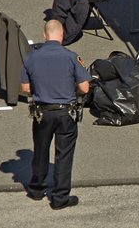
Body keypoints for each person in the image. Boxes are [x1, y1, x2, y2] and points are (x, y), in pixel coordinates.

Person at [20, 19, 90, 210]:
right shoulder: (70, 56)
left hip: (42, 113)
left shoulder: (32, 57)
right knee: (63, 155)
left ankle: (36, 189)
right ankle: (59, 198)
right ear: (62, 35)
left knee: (41, 150)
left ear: (45, 35)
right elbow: (84, 87)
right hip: (65, 112)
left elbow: (25, 88)